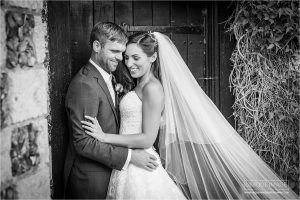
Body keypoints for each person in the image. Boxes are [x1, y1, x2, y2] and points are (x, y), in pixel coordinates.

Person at [82, 32, 299, 199]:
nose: (128, 63)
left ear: (153, 57)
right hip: (129, 165)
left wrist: (104, 137)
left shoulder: (152, 89)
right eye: (126, 57)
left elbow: (147, 138)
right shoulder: (140, 85)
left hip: (142, 164)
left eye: (136, 57)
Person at [63, 22, 159, 199]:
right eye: (114, 51)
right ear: (97, 46)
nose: (121, 59)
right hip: (91, 181)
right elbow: (82, 142)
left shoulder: (110, 77)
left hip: (115, 175)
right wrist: (130, 157)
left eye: (122, 53)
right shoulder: (85, 84)